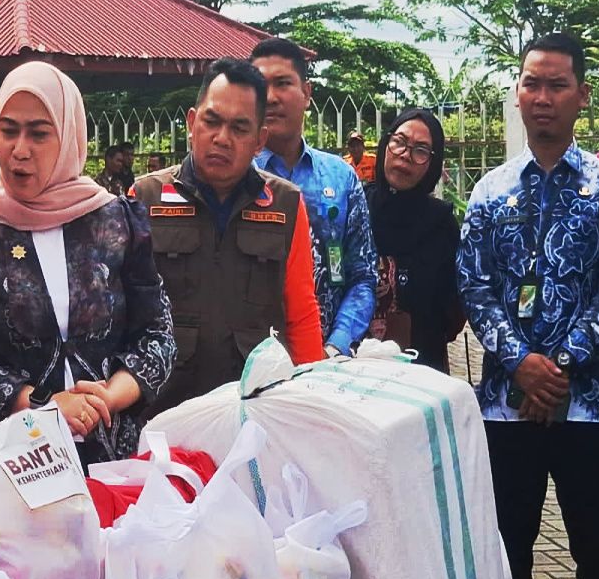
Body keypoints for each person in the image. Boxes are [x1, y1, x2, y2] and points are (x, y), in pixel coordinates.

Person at [0, 61, 174, 468]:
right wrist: (41, 406)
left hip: (114, 461)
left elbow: (157, 333)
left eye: (39, 133)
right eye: (8, 131)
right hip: (17, 464)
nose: (19, 150)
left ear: (68, 137)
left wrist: (108, 397)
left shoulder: (117, 222)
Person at [458, 32, 599, 579]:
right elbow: (474, 285)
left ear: (582, 96)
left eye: (556, 84)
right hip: (504, 405)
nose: (542, 96)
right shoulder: (490, 190)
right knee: (507, 551)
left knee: (598, 554)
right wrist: (520, 361)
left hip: (591, 406)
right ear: (517, 94)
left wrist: (560, 366)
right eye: (531, 83)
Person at [131, 58, 323, 415]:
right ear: (192, 123)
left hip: (258, 410)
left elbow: (301, 315)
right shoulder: (143, 198)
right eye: (212, 121)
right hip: (164, 411)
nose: (222, 138)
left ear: (259, 140)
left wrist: (312, 404)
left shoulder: (286, 205)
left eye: (239, 128)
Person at [251, 38, 377, 357]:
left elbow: (362, 275)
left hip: (330, 362)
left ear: (306, 93)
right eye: (260, 86)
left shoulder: (341, 178)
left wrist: (337, 345)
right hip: (250, 363)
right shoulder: (236, 178)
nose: (270, 97)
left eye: (282, 83)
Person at [364, 109, 464, 371]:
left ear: (433, 162)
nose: (406, 155)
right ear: (386, 145)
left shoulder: (441, 224)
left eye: (420, 150)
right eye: (399, 142)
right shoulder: (358, 208)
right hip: (353, 365)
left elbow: (454, 310)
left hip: (421, 366)